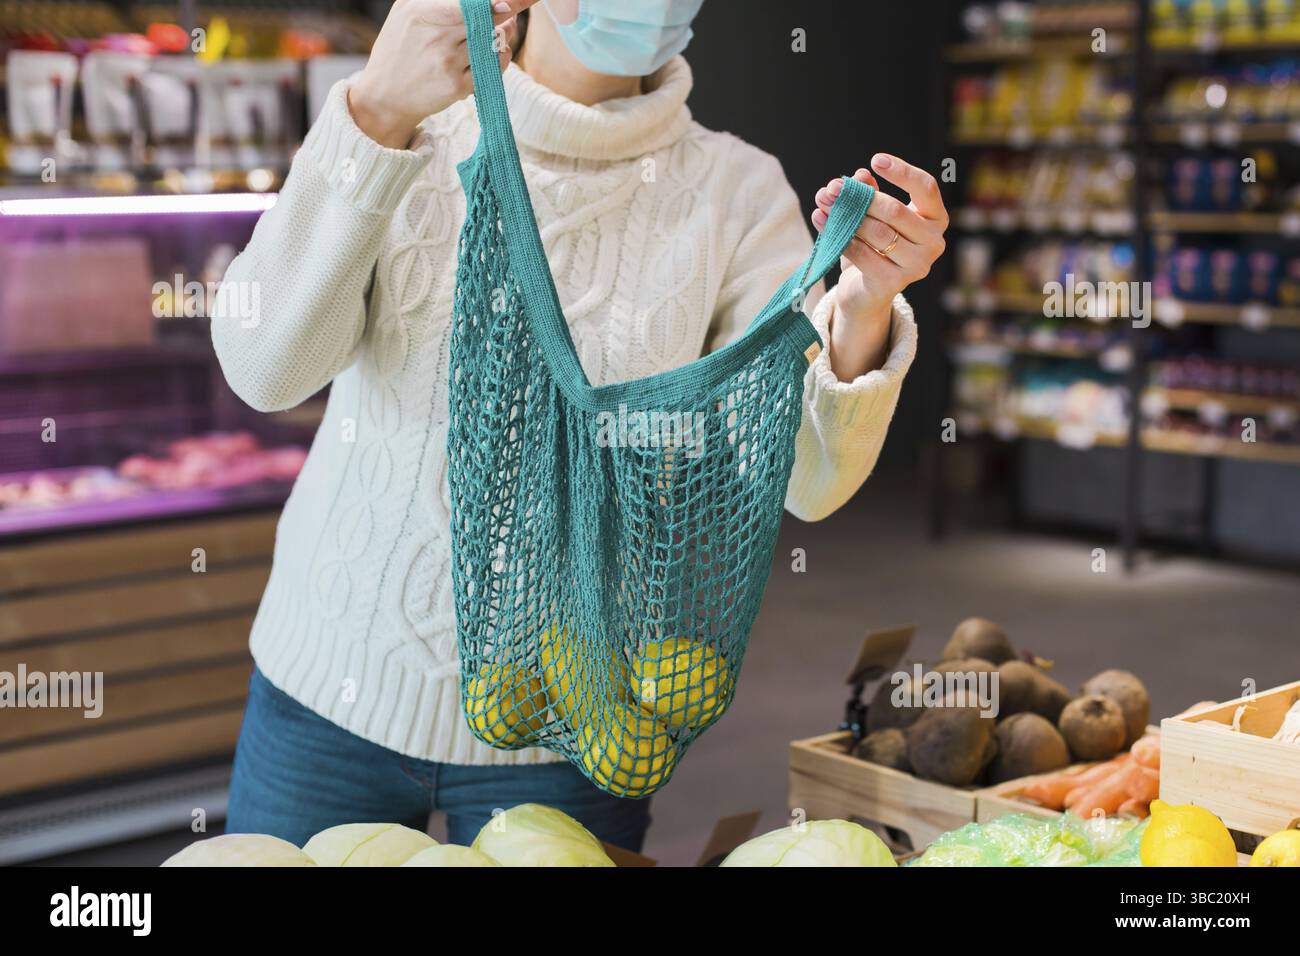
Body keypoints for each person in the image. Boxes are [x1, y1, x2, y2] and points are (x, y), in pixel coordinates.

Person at [212, 0, 948, 852]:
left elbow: (808, 483)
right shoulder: (410, 126)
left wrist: (861, 313)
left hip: (574, 716)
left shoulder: (736, 193)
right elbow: (264, 370)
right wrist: (373, 111)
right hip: (330, 686)